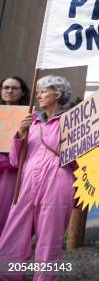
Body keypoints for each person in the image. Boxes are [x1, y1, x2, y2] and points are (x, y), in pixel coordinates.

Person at [0, 75, 99, 280]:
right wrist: (20, 133)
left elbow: (89, 161)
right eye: (38, 90)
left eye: (44, 91)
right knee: (10, 242)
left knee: (48, 246)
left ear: (57, 94)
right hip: (26, 184)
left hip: (58, 184)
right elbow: (15, 161)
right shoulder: (31, 123)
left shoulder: (75, 123)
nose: (38, 95)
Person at [0, 76, 29, 237]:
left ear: (22, 92)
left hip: (12, 172)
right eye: (5, 87)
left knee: (5, 212)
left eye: (14, 88)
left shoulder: (31, 116)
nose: (9, 91)